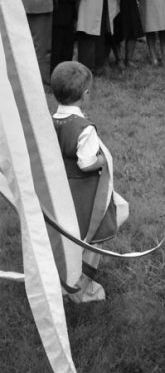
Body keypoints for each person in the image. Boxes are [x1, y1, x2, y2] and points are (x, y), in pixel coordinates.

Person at [51, 61, 128, 301]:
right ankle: (80, 289)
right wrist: (102, 160)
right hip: (84, 193)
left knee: (67, 235)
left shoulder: (52, 120)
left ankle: (64, 277)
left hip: (62, 189)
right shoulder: (84, 128)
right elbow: (86, 162)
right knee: (90, 238)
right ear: (85, 95)